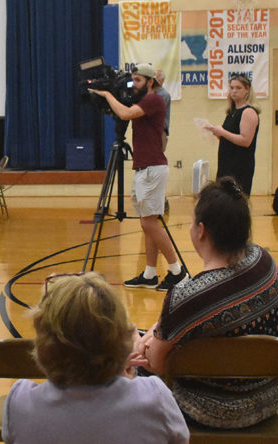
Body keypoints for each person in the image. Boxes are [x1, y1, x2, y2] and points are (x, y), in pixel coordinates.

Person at [133, 177, 278, 429]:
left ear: (201, 230)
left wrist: (142, 340)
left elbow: (156, 365)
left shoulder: (186, 298)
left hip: (205, 411)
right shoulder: (264, 262)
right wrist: (162, 327)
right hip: (267, 398)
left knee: (127, 353)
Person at [1, 272, 189, 444]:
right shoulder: (154, 398)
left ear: (43, 342)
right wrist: (123, 377)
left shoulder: (20, 403)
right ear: (120, 340)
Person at [90, 63, 188, 291]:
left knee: (149, 223)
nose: (134, 85)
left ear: (151, 82)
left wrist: (106, 94)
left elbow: (124, 113)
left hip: (153, 168)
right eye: (132, 80)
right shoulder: (142, 102)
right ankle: (150, 273)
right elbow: (124, 110)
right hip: (145, 168)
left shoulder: (154, 100)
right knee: (148, 224)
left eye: (139, 80)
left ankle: (177, 271)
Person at [205, 74, 260, 196]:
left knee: (236, 202)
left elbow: (245, 141)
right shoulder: (232, 112)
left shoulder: (248, 112)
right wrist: (216, 132)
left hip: (240, 166)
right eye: (232, 87)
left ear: (247, 90)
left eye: (238, 88)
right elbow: (230, 138)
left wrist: (222, 132)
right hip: (226, 163)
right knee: (223, 201)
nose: (234, 91)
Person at [154, 69, 171, 151]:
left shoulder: (164, 95)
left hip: (159, 132)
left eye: (155, 76)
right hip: (151, 131)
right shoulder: (150, 93)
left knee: (156, 159)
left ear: (160, 80)